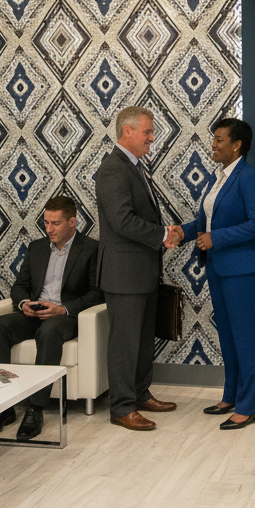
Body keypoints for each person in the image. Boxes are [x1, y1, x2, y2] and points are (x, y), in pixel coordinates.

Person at [0, 195, 103, 441]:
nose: (49, 229)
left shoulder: (91, 249)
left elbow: (96, 294)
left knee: (49, 331)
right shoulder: (36, 248)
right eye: (46, 222)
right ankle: (2, 408)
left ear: (72, 222)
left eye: (55, 223)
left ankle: (36, 408)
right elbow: (19, 286)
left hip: (65, 316)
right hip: (35, 313)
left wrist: (62, 309)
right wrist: (24, 303)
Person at [178, 118, 255, 430]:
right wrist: (183, 232)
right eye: (213, 139)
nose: (213, 145)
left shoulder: (249, 177)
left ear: (237, 144)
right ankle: (230, 395)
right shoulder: (219, 179)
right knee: (228, 335)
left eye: (219, 139)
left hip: (243, 267)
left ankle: (249, 406)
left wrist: (217, 239)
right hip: (217, 266)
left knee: (245, 336)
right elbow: (207, 220)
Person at [94, 106, 180, 431]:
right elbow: (122, 220)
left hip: (142, 272)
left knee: (143, 341)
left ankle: (141, 395)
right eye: (147, 132)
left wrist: (162, 235)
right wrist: (162, 235)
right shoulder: (113, 169)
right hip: (124, 275)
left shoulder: (134, 166)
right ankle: (121, 407)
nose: (151, 138)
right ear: (127, 131)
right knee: (125, 344)